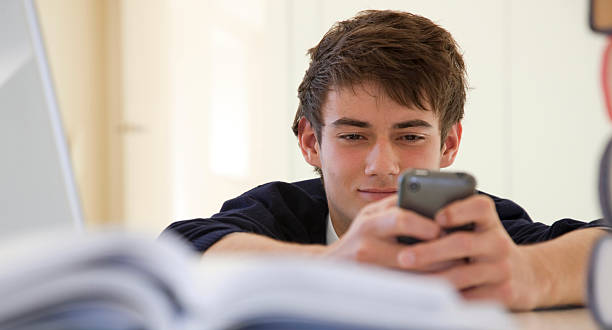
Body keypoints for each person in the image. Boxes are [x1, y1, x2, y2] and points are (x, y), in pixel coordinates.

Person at [164, 10, 605, 311]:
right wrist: (333, 267)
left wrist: (530, 273)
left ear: (448, 144)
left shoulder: (473, 227)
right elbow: (181, 250)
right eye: (354, 135)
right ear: (310, 143)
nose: (383, 165)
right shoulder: (278, 212)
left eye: (409, 135)